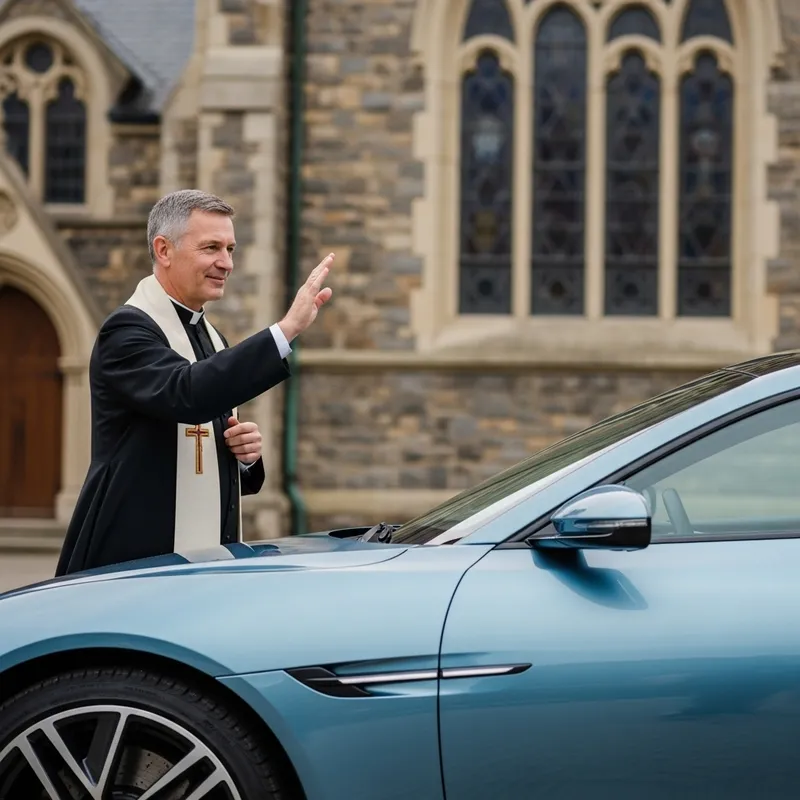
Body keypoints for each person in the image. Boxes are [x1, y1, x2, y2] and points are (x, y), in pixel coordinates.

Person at [55, 189, 333, 575]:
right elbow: (186, 393)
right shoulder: (126, 332)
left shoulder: (211, 336)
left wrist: (246, 458)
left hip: (202, 561)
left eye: (231, 249)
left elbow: (207, 448)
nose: (226, 263)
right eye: (211, 248)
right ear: (164, 250)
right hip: (131, 558)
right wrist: (286, 331)